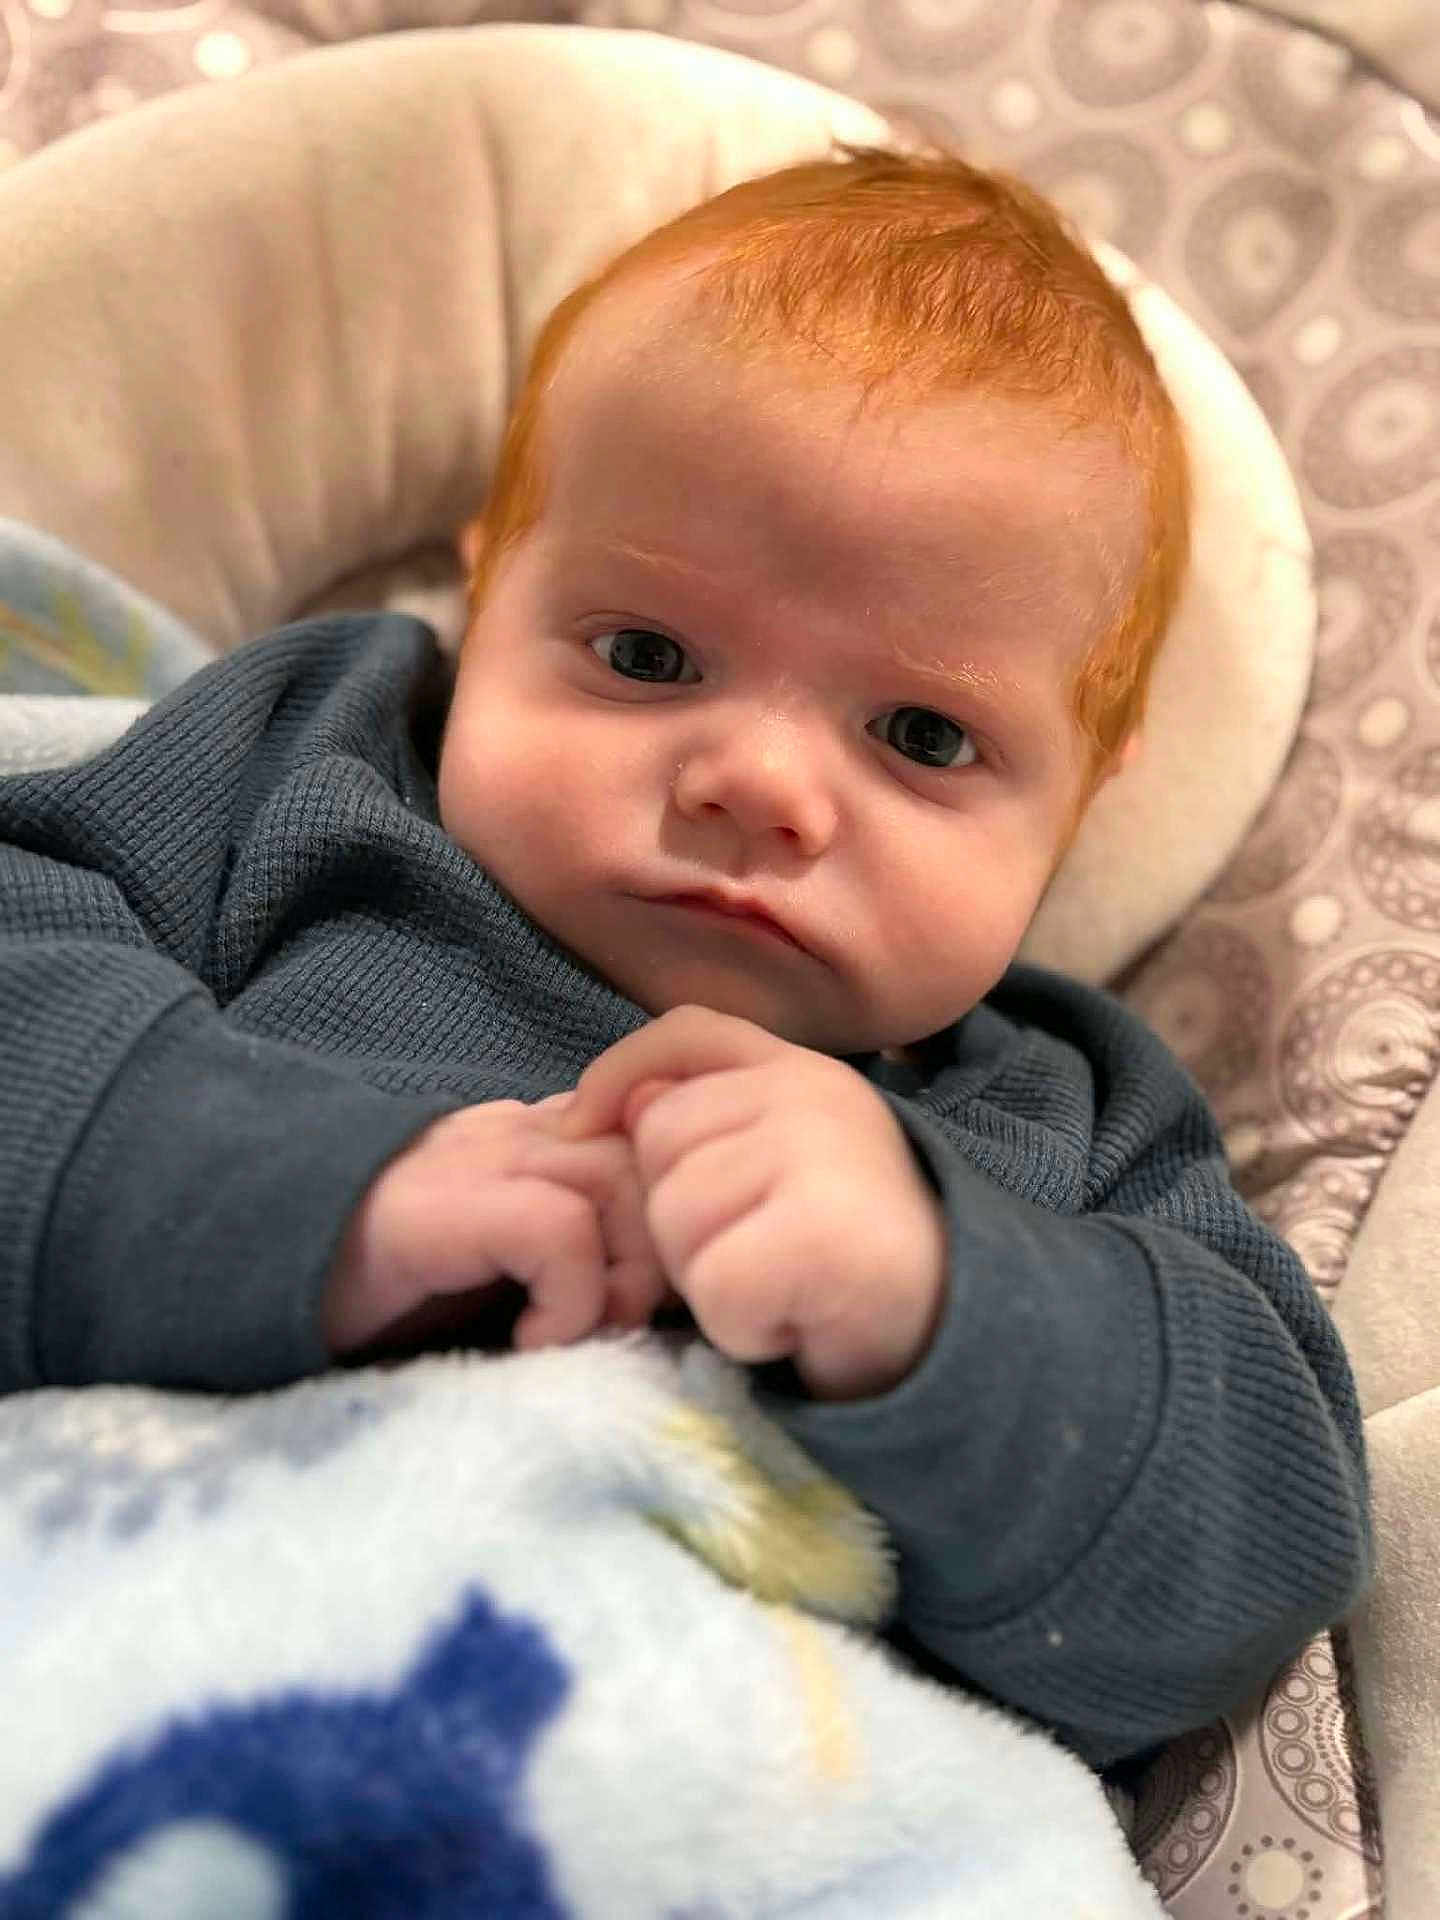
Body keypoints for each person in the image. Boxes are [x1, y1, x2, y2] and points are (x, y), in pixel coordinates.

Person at [0, 144, 1370, 1768]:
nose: (763, 786)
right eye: (648, 656)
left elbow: (1263, 1544)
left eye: (923, 735)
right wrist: (311, 1198)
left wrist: (945, 1304)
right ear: (487, 581)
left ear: (1085, 789)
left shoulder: (1058, 1124)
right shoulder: (310, 775)